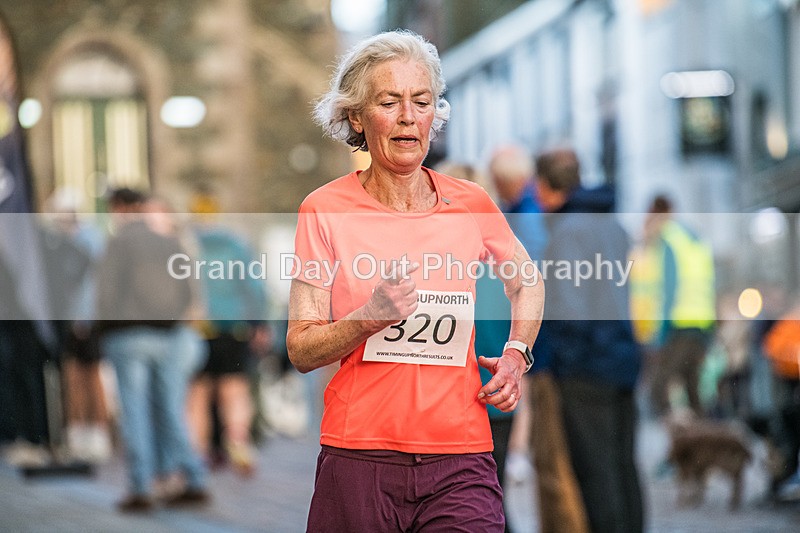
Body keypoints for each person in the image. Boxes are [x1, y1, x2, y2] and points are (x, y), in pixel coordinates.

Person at [288, 30, 544, 532]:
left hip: (461, 455)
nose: (408, 116)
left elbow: (527, 281)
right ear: (356, 117)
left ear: (434, 114)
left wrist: (517, 354)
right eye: (390, 101)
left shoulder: (470, 201)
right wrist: (369, 318)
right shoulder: (324, 209)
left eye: (421, 101)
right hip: (360, 455)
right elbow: (300, 348)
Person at [534, 148, 643, 533]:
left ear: (545, 187)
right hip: (622, 358)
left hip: (587, 369)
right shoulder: (611, 224)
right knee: (623, 466)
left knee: (597, 474)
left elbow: (570, 308)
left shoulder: (569, 231)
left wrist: (563, 358)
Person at [489, 145, 589, 533]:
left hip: (542, 356)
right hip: (543, 354)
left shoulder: (527, 220)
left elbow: (536, 288)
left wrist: (526, 350)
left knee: (552, 463)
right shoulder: (529, 215)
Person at [96, 188, 209, 512]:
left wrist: (103, 328)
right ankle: (194, 477)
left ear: (119, 208)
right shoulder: (169, 241)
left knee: (135, 412)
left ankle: (141, 486)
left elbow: (106, 294)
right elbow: (189, 292)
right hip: (169, 336)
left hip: (127, 337)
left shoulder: (117, 242)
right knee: (171, 410)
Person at [186, 191, 270, 476]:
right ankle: (238, 444)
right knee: (234, 390)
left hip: (197, 328)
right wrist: (259, 323)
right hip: (233, 328)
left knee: (198, 393)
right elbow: (254, 287)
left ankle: (198, 452)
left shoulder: (185, 243)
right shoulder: (235, 244)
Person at [644, 195, 716, 418]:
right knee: (693, 392)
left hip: (679, 324)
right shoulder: (695, 239)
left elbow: (669, 288)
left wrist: (660, 335)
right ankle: (703, 447)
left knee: (657, 391)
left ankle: (681, 445)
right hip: (702, 325)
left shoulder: (669, 239)